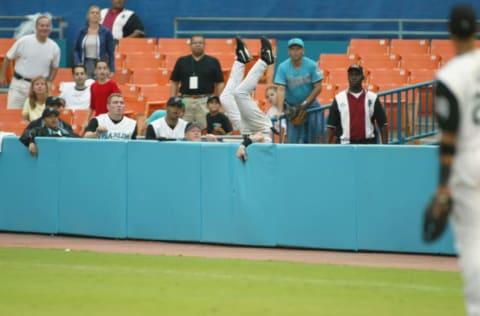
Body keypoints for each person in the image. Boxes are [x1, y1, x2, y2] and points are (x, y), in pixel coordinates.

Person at [427, 5, 480, 315]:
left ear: (450, 33)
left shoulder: (449, 75)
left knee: (474, 247)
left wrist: (442, 189)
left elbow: (448, 139)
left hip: (468, 169)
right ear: (474, 29)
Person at [220, 37, 275, 143]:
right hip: (260, 128)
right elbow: (259, 138)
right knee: (240, 94)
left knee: (225, 98)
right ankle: (265, 60)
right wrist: (244, 145)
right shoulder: (262, 151)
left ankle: (241, 60)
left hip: (245, 130)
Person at [0, 15, 60, 109]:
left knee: (37, 119)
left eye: (47, 26)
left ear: (50, 28)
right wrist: (2, 75)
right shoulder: (24, 41)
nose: (44, 28)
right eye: (42, 25)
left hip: (39, 88)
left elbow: (55, 67)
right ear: (36, 27)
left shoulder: (54, 47)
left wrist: (49, 82)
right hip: (19, 85)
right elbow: (8, 57)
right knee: (13, 114)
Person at [274, 37, 323, 143]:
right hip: (293, 108)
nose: (295, 52)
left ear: (303, 51)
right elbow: (281, 89)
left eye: (298, 49)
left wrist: (305, 103)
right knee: (292, 138)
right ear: (288, 52)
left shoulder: (312, 65)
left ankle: (312, 154)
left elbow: (318, 87)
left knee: (315, 132)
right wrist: (279, 110)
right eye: (292, 49)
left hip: (311, 104)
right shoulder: (283, 67)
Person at [170, 34, 225, 127]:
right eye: (195, 43)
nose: (198, 45)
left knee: (205, 129)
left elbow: (220, 83)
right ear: (190, 45)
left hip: (205, 101)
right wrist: (172, 100)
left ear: (204, 45)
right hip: (185, 101)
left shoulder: (213, 61)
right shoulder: (181, 61)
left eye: (200, 43)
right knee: (183, 129)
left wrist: (221, 103)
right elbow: (174, 81)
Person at [325, 65, 388, 144]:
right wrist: (326, 147)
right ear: (348, 77)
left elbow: (383, 124)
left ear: (362, 77)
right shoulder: (339, 99)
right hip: (345, 145)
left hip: (368, 144)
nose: (354, 77)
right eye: (351, 75)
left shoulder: (372, 98)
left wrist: (385, 147)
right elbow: (331, 126)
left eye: (357, 75)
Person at [74, 5, 115, 78]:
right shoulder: (81, 32)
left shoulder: (106, 32)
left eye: (97, 13)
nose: (95, 14)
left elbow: (111, 53)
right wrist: (77, 63)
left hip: (100, 65)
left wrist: (112, 69)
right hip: (85, 64)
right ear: (88, 16)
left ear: (100, 17)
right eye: (92, 12)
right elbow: (76, 50)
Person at [84, 60, 120, 129]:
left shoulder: (112, 85)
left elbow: (117, 102)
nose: (102, 71)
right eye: (99, 68)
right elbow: (92, 106)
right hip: (98, 119)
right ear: (95, 71)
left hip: (110, 119)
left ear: (108, 71)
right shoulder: (93, 86)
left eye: (104, 68)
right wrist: (86, 120)